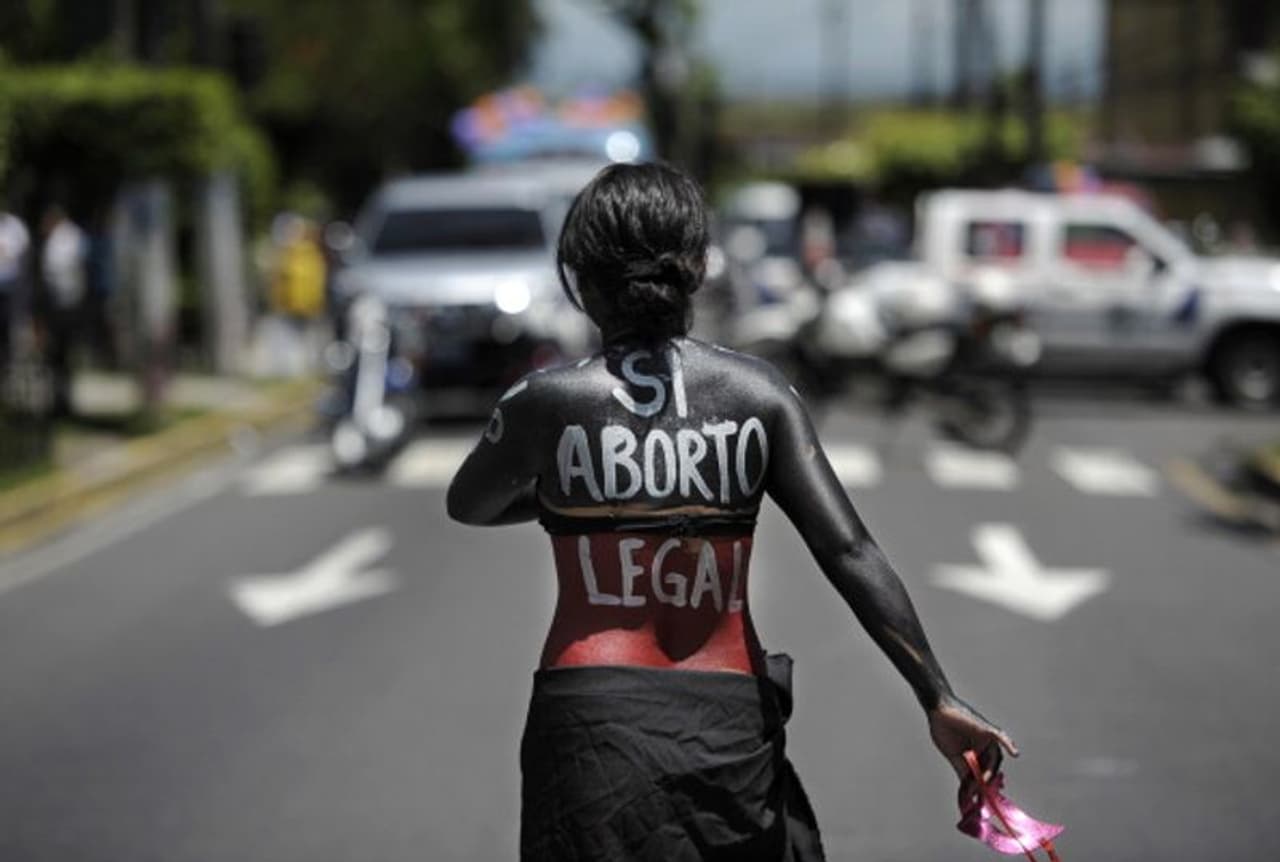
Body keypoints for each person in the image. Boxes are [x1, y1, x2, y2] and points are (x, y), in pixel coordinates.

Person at [447, 163, 1015, 861]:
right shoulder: (759, 393)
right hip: (726, 722)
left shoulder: (544, 401)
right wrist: (938, 696)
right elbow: (849, 550)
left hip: (589, 725)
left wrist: (573, 497)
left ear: (582, 278)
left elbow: (469, 503)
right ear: (694, 268)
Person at [39, 205, 87, 417]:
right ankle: (58, 401)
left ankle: (64, 401)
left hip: (68, 305)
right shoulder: (57, 239)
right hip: (58, 304)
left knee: (63, 356)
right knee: (56, 357)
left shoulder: (70, 237)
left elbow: (63, 269)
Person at [0, 207, 30, 373]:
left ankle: (7, 364)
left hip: (10, 285)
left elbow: (21, 253)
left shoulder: (16, 226)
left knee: (9, 326)